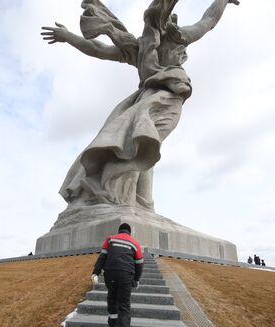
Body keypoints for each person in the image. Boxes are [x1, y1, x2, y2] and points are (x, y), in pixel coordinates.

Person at [41, 0, 239, 210]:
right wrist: (69, 37)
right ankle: (142, 203)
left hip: (168, 96)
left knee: (141, 140)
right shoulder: (139, 47)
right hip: (145, 96)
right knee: (139, 141)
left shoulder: (179, 37)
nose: (168, 22)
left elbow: (208, 20)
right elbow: (98, 48)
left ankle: (119, 190)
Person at [91, 223, 144, 327]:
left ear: (119, 230)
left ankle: (113, 322)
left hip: (110, 273)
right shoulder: (135, 243)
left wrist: (95, 272)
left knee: (112, 297)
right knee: (124, 306)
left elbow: (102, 257)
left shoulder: (110, 239)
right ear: (129, 232)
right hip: (126, 275)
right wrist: (136, 280)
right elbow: (139, 264)